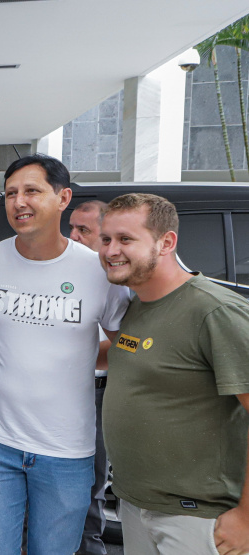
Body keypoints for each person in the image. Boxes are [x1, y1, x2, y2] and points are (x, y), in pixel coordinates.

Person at [0, 154, 129, 554]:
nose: (19, 202)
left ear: (63, 197)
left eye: (32, 191)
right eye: (10, 194)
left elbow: (129, 345)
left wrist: (77, 357)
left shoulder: (98, 270)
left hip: (67, 452)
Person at [100, 193, 249, 555]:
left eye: (125, 239)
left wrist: (246, 517)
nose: (109, 250)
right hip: (136, 508)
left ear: (166, 242)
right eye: (105, 239)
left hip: (198, 518)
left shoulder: (214, 311)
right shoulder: (137, 305)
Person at [69, 200, 113, 555]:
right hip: (58, 393)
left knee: (89, 488)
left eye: (84, 230)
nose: (73, 236)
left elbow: (128, 344)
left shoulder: (115, 279)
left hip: (97, 393)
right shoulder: (64, 270)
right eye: (71, 228)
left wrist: (73, 358)